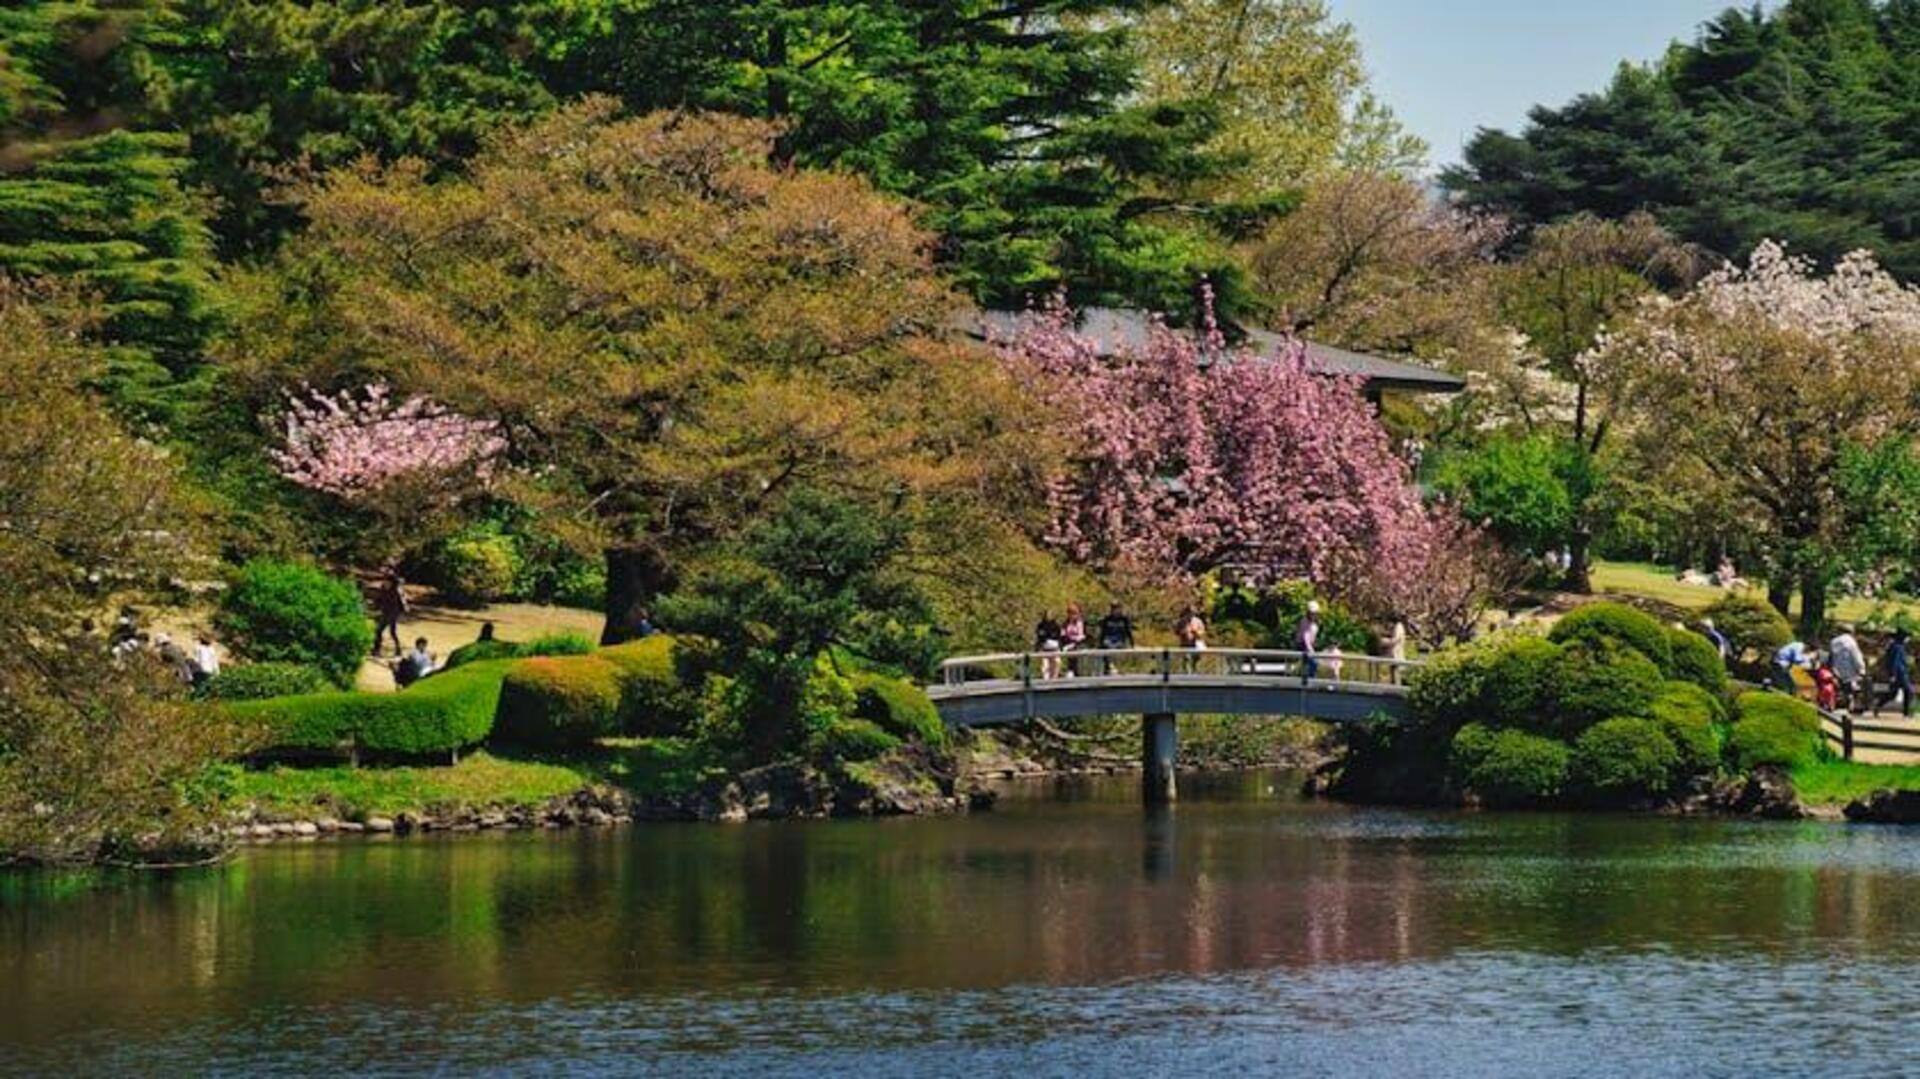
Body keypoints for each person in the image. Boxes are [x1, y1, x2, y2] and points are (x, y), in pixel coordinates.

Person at [1828, 624, 1868, 712]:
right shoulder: (1851, 642)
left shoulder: (1833, 641)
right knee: (1852, 688)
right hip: (1850, 670)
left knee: (1840, 688)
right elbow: (1856, 656)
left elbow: (1831, 656)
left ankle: (1837, 704)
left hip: (1836, 669)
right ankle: (1851, 705)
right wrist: (1861, 669)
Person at [372, 570, 408, 657]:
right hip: (385, 611)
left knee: (383, 631)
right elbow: (379, 598)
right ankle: (377, 649)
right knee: (384, 631)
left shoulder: (397, 590)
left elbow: (402, 601)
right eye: (385, 580)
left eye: (387, 581)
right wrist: (375, 606)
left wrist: (403, 611)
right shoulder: (383, 588)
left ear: (392, 582)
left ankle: (378, 649)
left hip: (393, 613)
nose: (385, 582)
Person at [1880, 629, 1913, 717]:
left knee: (1892, 693)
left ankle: (1878, 705)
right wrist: (1893, 674)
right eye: (1907, 637)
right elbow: (1894, 662)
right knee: (1909, 691)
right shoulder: (1897, 647)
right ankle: (1906, 712)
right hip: (1900, 674)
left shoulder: (1896, 646)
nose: (1908, 639)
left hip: (1900, 673)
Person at [1097, 603, 1134, 675]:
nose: (1115, 610)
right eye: (1113, 608)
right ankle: (1109, 667)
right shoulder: (1107, 619)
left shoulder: (1124, 619)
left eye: (1117, 608)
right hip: (1109, 640)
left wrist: (1132, 643)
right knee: (1106, 644)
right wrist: (1100, 643)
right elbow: (1103, 633)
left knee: (1117, 646)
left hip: (1120, 640)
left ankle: (1116, 667)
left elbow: (1128, 632)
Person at [1296, 601, 1322, 685]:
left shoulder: (1315, 622)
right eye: (1312, 613)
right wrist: (1310, 649)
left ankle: (1310, 680)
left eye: (1315, 613)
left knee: (1312, 664)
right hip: (1303, 645)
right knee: (1313, 663)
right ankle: (1308, 682)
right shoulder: (1305, 621)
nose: (1314, 615)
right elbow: (1305, 636)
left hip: (1310, 644)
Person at [1175, 606, 1206, 672]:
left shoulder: (1198, 621)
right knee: (1186, 659)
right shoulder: (1181, 621)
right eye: (1190, 612)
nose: (1191, 614)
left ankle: (1196, 673)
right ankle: (1186, 674)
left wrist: (1196, 632)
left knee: (1196, 660)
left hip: (1196, 644)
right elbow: (1176, 632)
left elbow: (1202, 632)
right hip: (1185, 644)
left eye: (1193, 612)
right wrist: (1182, 632)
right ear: (1186, 612)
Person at [1034, 611, 1063, 679]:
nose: (1048, 616)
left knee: (1056, 663)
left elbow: (1059, 636)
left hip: (1055, 648)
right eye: (1047, 615)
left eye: (1050, 615)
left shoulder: (1056, 625)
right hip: (1044, 648)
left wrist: (1060, 646)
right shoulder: (1041, 625)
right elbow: (1039, 636)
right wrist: (1038, 647)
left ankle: (1054, 680)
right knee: (1045, 666)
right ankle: (1045, 681)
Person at [1060, 603, 1087, 676]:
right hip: (1068, 644)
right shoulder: (1065, 623)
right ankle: (1070, 670)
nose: (1072, 616)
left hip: (1078, 644)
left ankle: (1075, 671)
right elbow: (1063, 635)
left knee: (1075, 651)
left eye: (1074, 613)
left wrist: (1074, 641)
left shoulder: (1080, 623)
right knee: (1067, 650)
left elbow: (1081, 635)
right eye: (1070, 613)